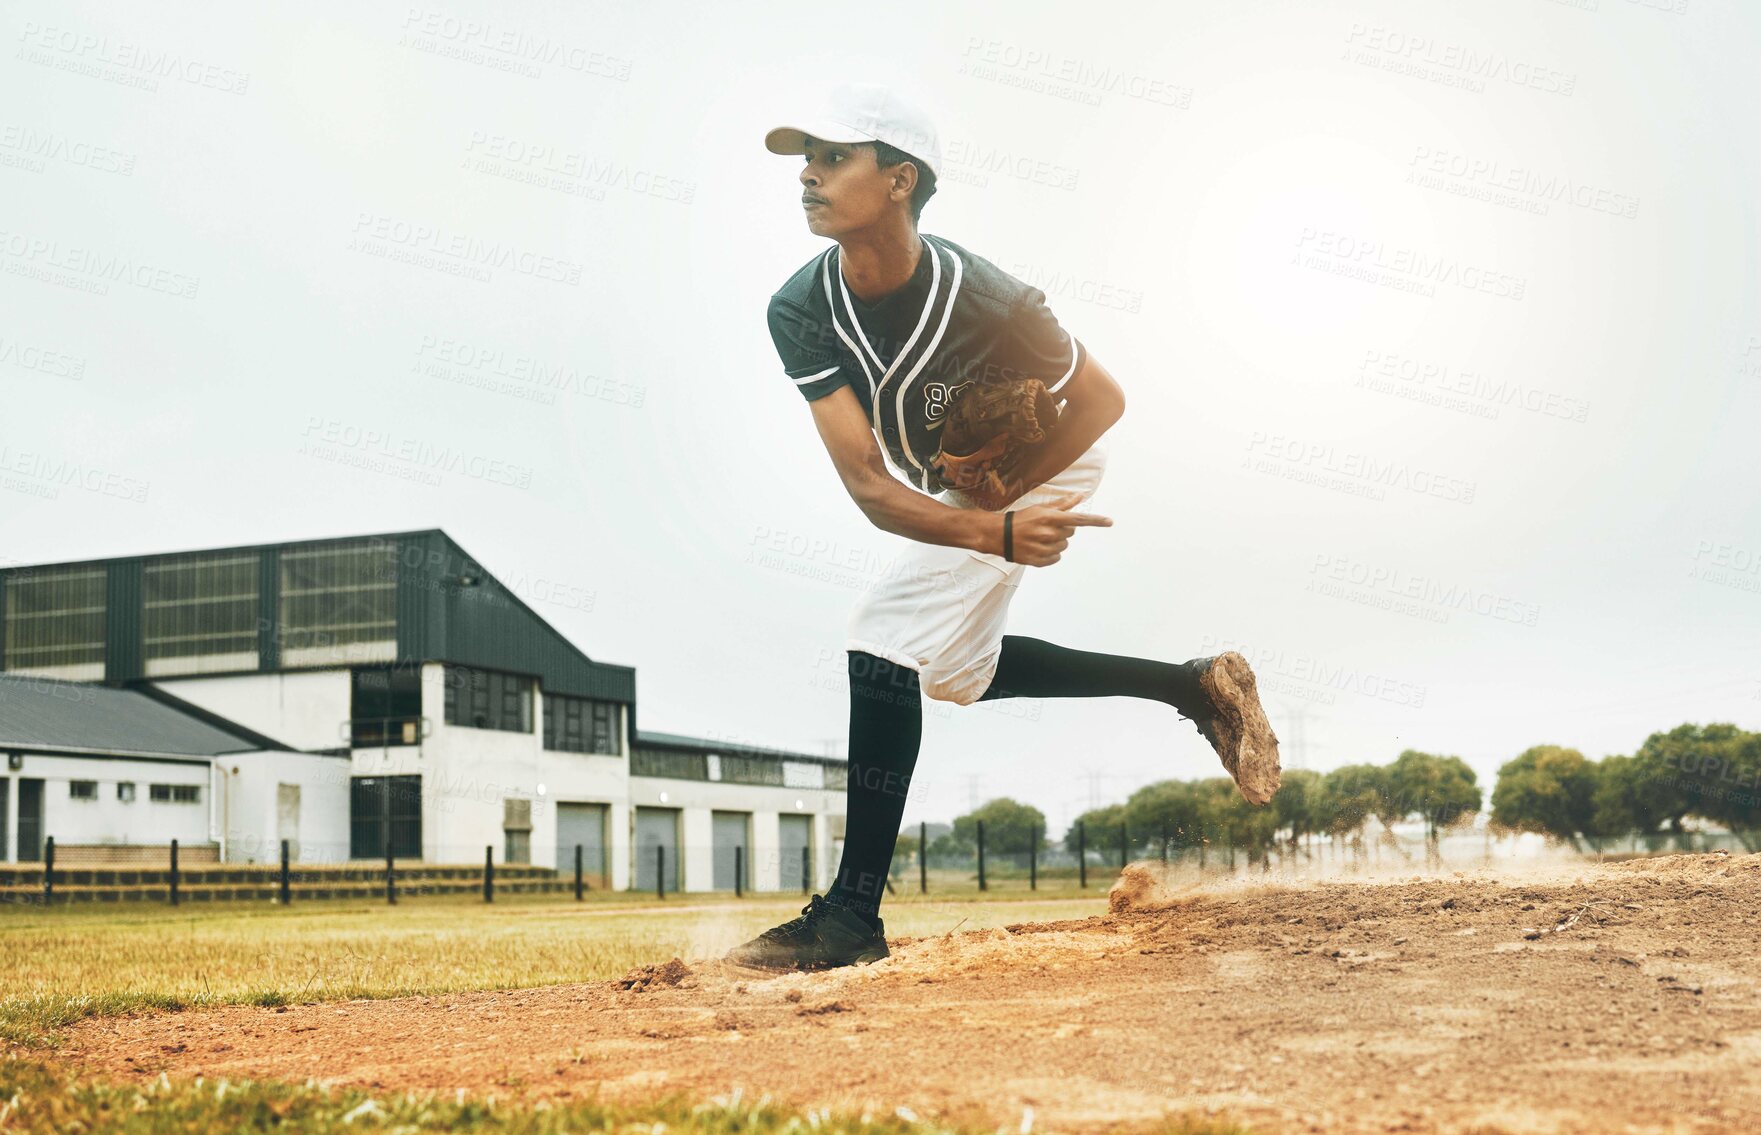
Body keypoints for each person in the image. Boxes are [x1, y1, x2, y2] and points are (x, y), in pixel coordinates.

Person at [724, 84, 1280, 972]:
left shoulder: (991, 298)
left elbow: (1101, 399)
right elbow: (869, 485)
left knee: (884, 638)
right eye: (805, 156)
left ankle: (850, 917)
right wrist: (988, 525)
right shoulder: (800, 309)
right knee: (952, 670)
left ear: (900, 179)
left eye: (832, 156)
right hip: (959, 496)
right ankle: (1193, 687)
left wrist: (1011, 499)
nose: (807, 173)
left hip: (1053, 460)